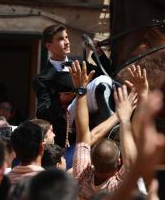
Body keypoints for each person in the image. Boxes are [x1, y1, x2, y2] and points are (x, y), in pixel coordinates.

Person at [32, 24, 110, 148]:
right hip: (68, 128)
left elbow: (106, 73)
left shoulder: (78, 61)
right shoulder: (42, 78)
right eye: (60, 39)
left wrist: (99, 53)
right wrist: (61, 100)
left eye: (66, 37)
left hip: (92, 121)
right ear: (49, 46)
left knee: (103, 80)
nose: (67, 42)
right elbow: (42, 113)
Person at [70, 61, 135, 199]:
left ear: (91, 162)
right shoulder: (117, 187)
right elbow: (130, 160)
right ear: (118, 161)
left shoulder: (82, 178)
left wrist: (81, 90)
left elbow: (83, 135)